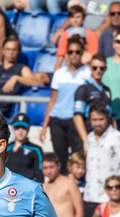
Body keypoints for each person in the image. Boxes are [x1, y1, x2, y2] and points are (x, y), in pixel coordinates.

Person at [41, 35, 89, 170]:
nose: (74, 55)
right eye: (70, 52)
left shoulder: (88, 73)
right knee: (60, 160)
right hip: (57, 120)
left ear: (82, 53)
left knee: (77, 158)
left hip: (77, 121)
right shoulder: (59, 74)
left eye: (77, 52)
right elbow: (53, 101)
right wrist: (45, 126)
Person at [73, 54, 113, 155]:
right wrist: (85, 141)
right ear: (90, 67)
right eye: (95, 68)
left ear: (105, 69)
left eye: (101, 68)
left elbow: (111, 117)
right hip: (88, 136)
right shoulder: (83, 89)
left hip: (105, 139)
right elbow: (77, 117)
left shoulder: (107, 90)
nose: (98, 71)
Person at [0, 36, 38, 117]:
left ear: (18, 51)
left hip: (7, 112)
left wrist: (17, 78)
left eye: (14, 49)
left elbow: (36, 82)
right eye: (8, 49)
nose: (11, 52)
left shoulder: (22, 68)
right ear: (3, 51)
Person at [50, 5, 98, 72]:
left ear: (83, 18)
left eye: (78, 17)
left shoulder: (92, 35)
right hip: (68, 69)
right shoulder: (65, 36)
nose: (75, 20)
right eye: (72, 17)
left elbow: (92, 57)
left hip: (86, 70)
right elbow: (59, 62)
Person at [6, 113, 43, 183]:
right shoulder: (6, 148)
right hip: (8, 188)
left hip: (27, 189)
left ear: (28, 129)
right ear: (13, 129)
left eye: (23, 127)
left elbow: (40, 175)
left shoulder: (36, 150)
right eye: (17, 127)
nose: (20, 130)